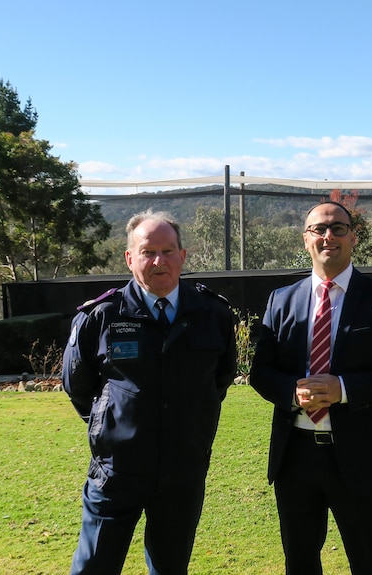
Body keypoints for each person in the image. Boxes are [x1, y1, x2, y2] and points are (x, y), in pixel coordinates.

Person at [250, 201, 372, 575]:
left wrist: (343, 388)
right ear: (306, 239)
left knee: (368, 559)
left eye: (338, 228)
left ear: (353, 237)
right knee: (300, 561)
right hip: (295, 457)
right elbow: (261, 372)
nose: (329, 236)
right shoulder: (281, 300)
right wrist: (292, 392)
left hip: (362, 454)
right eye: (319, 229)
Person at [62, 209, 237, 575]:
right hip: (117, 471)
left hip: (183, 471)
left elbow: (219, 381)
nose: (159, 261)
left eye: (168, 251)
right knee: (94, 567)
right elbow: (78, 386)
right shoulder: (103, 316)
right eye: (148, 252)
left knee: (170, 567)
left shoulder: (213, 313)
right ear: (130, 258)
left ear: (183, 256)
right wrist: (110, 422)